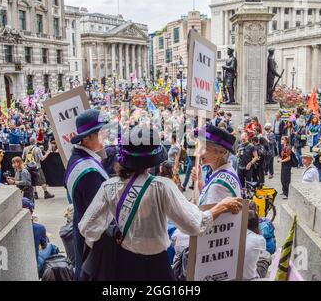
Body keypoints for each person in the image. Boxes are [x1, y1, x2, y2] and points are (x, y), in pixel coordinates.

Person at [78, 125, 243, 281]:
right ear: (153, 159)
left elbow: (87, 227)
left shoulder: (109, 187)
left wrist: (115, 234)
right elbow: (194, 225)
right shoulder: (162, 187)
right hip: (156, 266)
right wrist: (220, 208)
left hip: (123, 264)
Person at [65, 109, 111, 280]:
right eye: (100, 132)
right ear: (86, 138)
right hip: (93, 241)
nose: (105, 134)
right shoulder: (88, 171)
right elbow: (98, 216)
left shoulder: (78, 158)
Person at [191, 124, 242, 205]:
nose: (198, 153)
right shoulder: (226, 171)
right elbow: (207, 199)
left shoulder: (218, 186)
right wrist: (200, 180)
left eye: (204, 148)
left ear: (221, 152)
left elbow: (208, 216)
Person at [243, 206, 267, 280]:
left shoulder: (235, 235)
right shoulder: (259, 239)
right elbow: (262, 251)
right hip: (250, 278)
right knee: (267, 255)